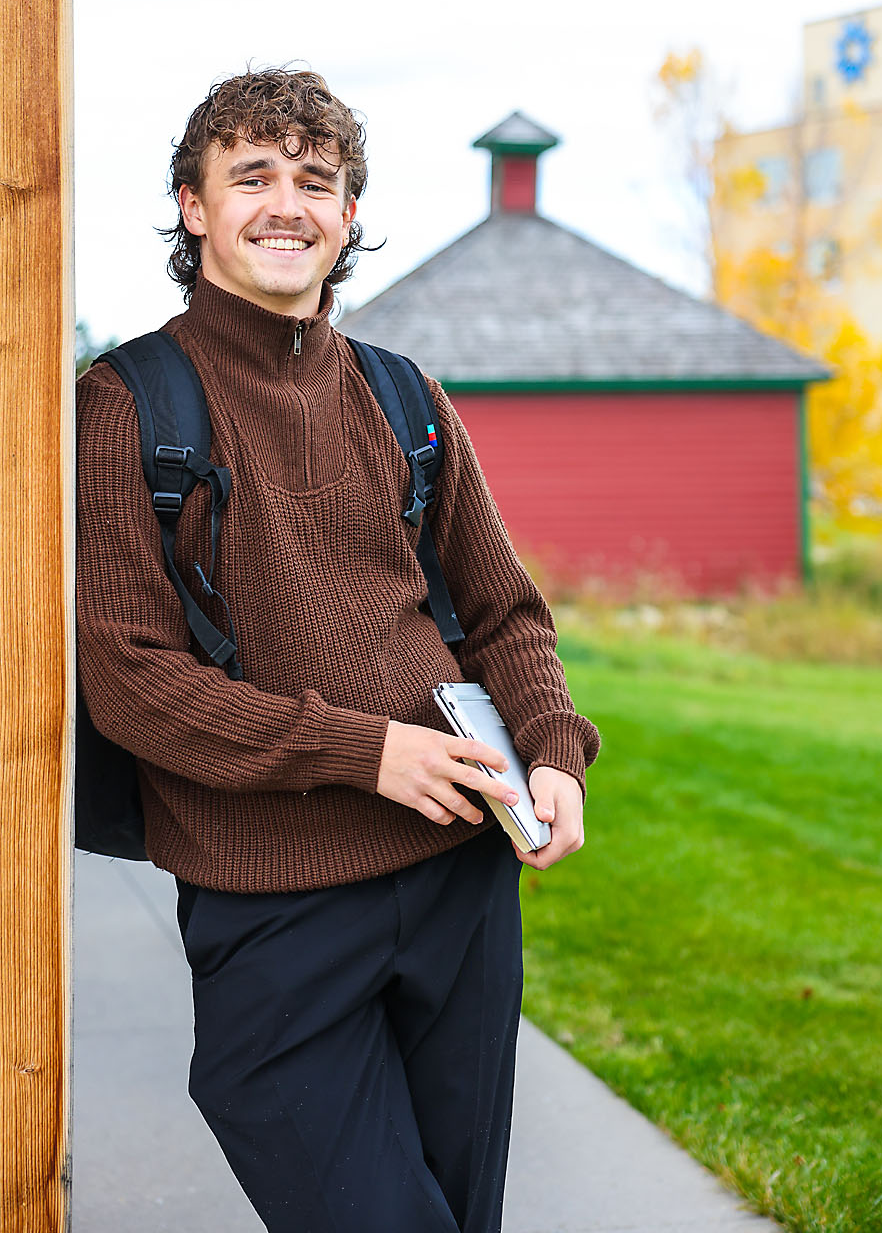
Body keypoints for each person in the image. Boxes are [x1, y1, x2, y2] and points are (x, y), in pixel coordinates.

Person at [76, 67, 600, 1233]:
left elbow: (505, 611)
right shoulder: (124, 406)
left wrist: (555, 752)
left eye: (317, 182)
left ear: (348, 218)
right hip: (275, 908)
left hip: (459, 881)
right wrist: (364, 753)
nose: (287, 204)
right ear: (193, 205)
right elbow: (131, 681)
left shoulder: (404, 393)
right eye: (251, 175)